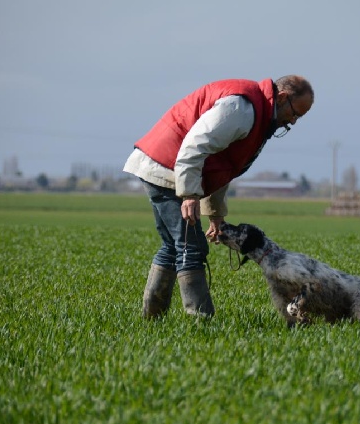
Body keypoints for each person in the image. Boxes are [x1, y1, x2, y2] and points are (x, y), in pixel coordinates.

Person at [123, 75, 314, 318]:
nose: (294, 122)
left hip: (166, 166)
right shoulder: (242, 108)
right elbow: (194, 147)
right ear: (283, 98)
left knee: (174, 246)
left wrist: (215, 215)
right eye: (296, 113)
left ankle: (151, 319)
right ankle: (201, 323)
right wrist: (190, 195)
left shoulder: (258, 113)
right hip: (165, 166)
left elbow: (222, 165)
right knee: (191, 248)